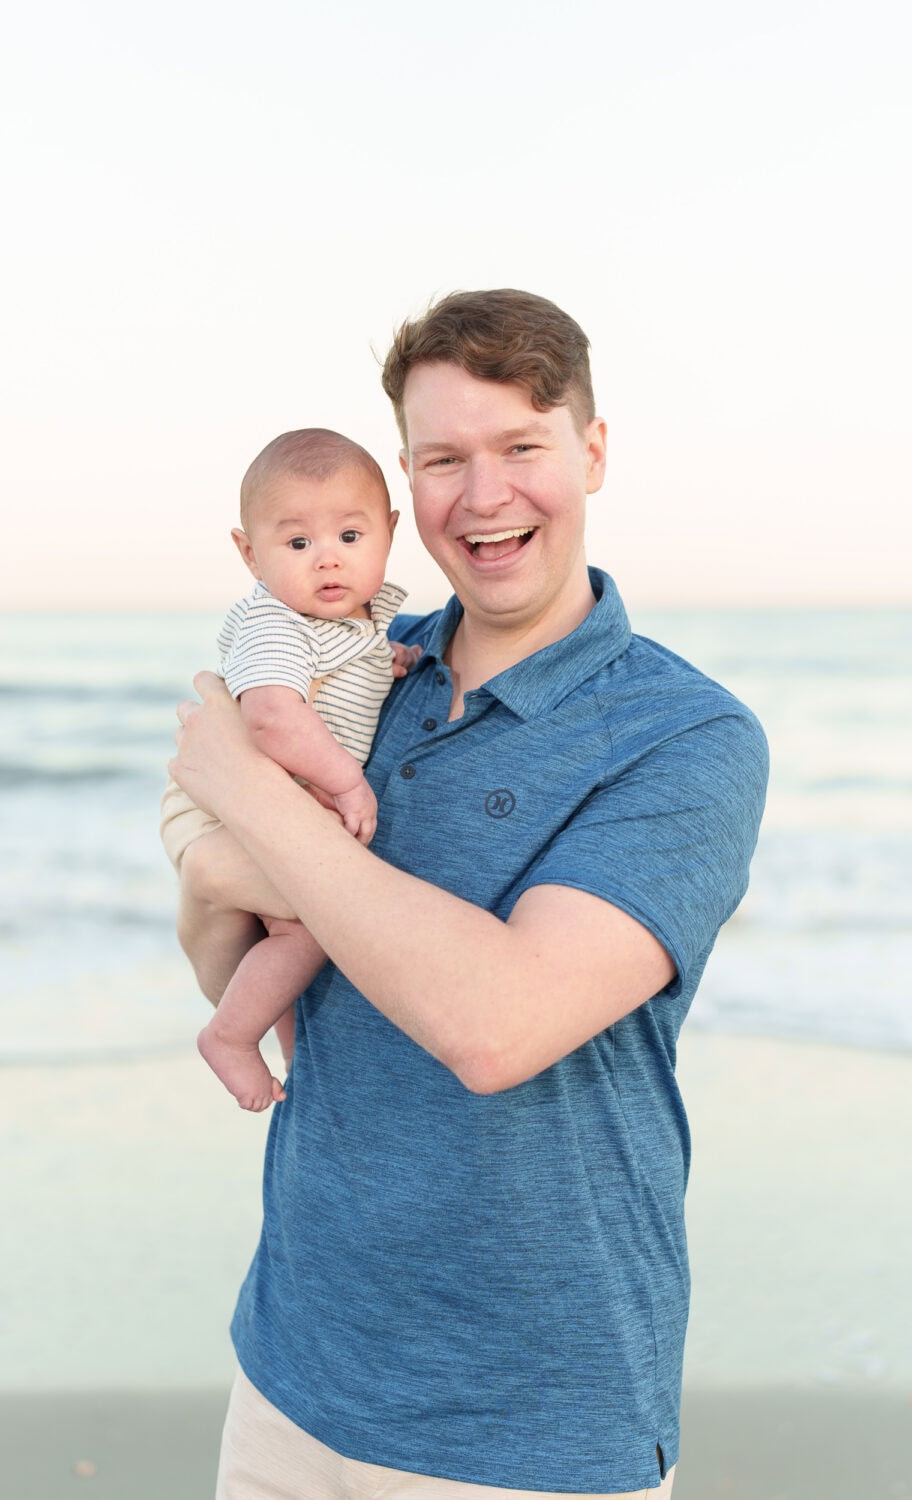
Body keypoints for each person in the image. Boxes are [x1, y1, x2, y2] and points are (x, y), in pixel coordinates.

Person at [169, 290, 769, 1497]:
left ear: (591, 452)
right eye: (445, 459)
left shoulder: (685, 737)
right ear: (405, 482)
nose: (483, 496)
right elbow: (228, 953)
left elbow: (495, 1027)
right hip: (295, 1366)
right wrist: (216, 865)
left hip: (530, 1420)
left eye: (520, 448)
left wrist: (243, 786)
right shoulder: (360, 672)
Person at [161, 427, 417, 1110]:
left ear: (390, 531)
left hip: (265, 802)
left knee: (288, 931)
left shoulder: (355, 626)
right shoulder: (275, 621)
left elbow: (338, 678)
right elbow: (272, 717)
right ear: (250, 553)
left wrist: (384, 664)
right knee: (304, 928)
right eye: (298, 543)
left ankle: (295, 1053)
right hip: (232, 807)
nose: (326, 562)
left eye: (350, 538)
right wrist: (344, 781)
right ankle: (232, 1036)